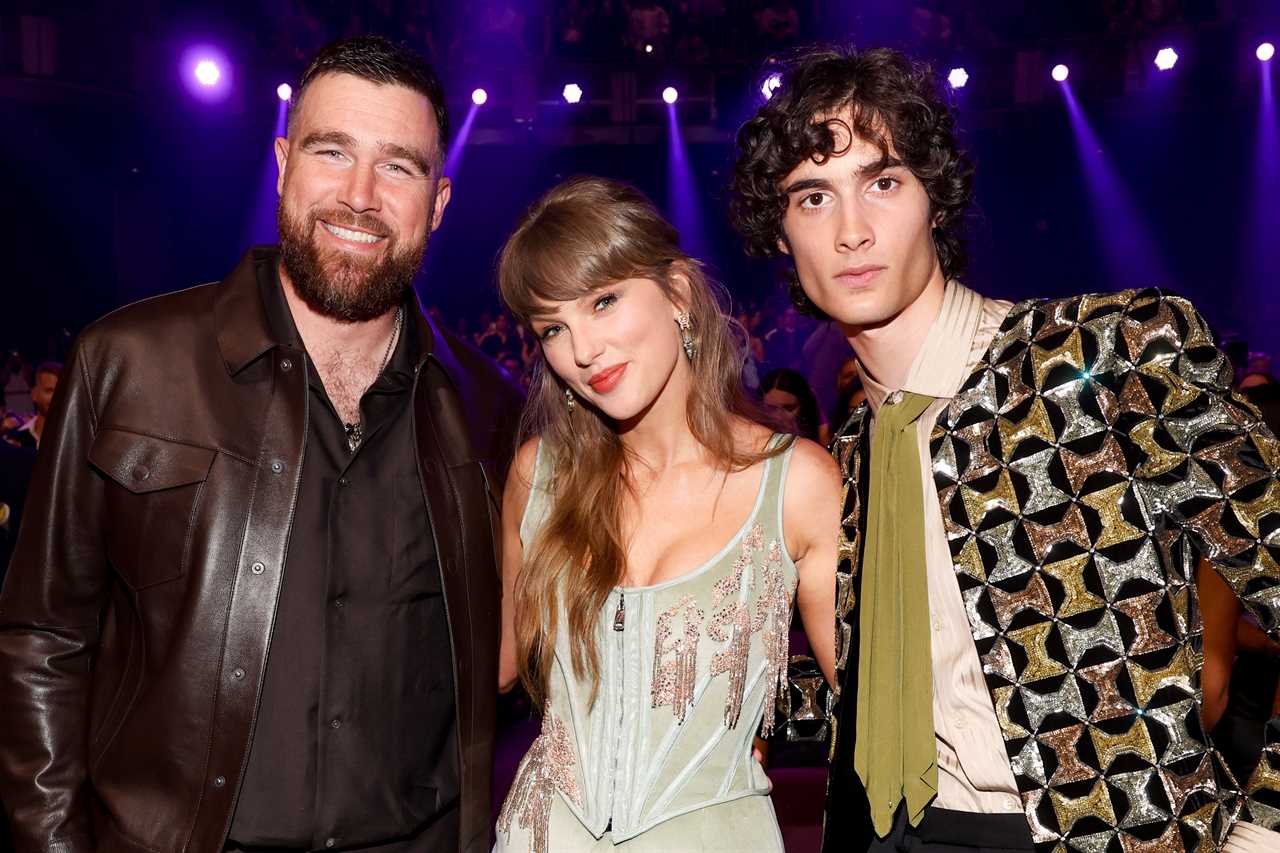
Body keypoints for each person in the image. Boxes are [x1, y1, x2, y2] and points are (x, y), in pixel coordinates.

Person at [729, 45, 1280, 852]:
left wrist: (1259, 831)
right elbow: (882, 678)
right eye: (813, 198)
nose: (852, 231)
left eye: (883, 183)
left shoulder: (1103, 355)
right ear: (780, 235)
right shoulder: (842, 457)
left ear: (935, 202)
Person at [0, 36, 522, 853]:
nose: (359, 196)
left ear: (440, 199)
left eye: (398, 167)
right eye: (331, 151)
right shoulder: (130, 361)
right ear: (282, 161)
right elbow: (43, 637)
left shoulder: (487, 406)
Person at [491, 176, 840, 852]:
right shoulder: (540, 476)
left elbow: (872, 706)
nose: (582, 350)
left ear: (677, 293)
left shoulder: (792, 482)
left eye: (604, 301)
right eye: (553, 327)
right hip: (543, 835)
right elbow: (495, 665)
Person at [761, 367, 827, 444]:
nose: (778, 417)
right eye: (770, 408)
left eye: (788, 408)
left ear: (804, 409)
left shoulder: (816, 447)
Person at [4, 361, 59, 450]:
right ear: (34, 394)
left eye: (61, 391)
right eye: (49, 391)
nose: (56, 397)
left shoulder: (75, 437)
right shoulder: (16, 439)